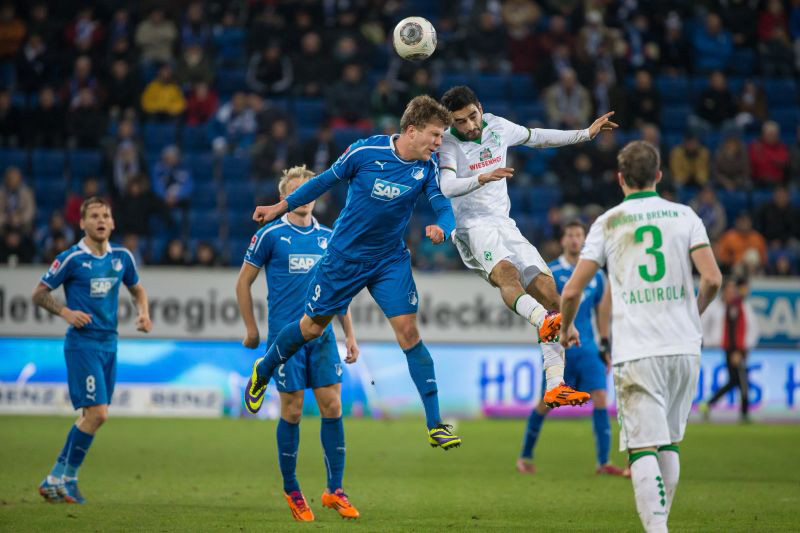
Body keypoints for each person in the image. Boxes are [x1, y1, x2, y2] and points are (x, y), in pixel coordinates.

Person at [245, 96, 461, 450]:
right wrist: (280, 207)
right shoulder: (364, 153)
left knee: (408, 331)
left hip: (388, 260)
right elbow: (322, 182)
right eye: (436, 135)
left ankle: (435, 423)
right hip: (343, 258)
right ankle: (264, 369)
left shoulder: (428, 168)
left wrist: (442, 227)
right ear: (411, 130)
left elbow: (443, 207)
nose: (440, 143)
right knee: (311, 328)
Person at [559, 141, 722, 533]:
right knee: (668, 442)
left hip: (639, 349)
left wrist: (565, 327)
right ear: (660, 176)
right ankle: (661, 525)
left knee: (642, 446)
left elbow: (570, 291)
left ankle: (657, 529)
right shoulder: (686, 216)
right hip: (685, 347)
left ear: (620, 179)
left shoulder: (609, 222)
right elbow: (713, 278)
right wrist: (691, 313)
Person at [437, 85, 617, 408]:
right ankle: (541, 319)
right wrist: (482, 178)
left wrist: (585, 134)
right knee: (508, 275)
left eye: (472, 116)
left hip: (505, 224)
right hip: (472, 228)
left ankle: (555, 384)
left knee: (550, 292)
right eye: (461, 121)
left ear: (480, 107)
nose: (469, 126)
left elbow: (537, 137)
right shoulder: (448, 143)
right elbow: (447, 186)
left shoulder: (497, 126)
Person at [236, 165, 360, 522]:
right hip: (284, 339)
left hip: (322, 337)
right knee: (291, 411)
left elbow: (339, 290)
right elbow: (243, 283)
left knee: (333, 406)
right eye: (296, 190)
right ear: (285, 198)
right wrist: (252, 330)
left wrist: (349, 333)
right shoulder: (270, 234)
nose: (304, 196)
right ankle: (292, 490)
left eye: (309, 190)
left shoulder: (328, 237)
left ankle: (334, 490)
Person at [32, 197, 152, 503]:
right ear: (82, 223)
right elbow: (39, 294)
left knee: (91, 416)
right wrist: (65, 313)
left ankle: (59, 480)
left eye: (106, 215)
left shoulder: (122, 258)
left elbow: (137, 289)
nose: (101, 220)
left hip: (109, 344)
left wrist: (144, 312)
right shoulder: (71, 259)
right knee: (98, 414)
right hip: (82, 344)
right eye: (94, 216)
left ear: (112, 223)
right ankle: (61, 478)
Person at [517, 221, 627, 477]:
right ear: (563, 240)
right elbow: (541, 312)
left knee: (600, 397)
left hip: (588, 348)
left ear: (585, 239)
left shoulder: (596, 274)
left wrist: (604, 343)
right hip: (559, 349)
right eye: (570, 235)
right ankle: (525, 455)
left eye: (579, 235)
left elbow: (602, 311)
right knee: (546, 403)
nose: (575, 240)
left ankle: (603, 462)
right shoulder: (550, 273)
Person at [699, 277, 759, 423]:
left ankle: (709, 404)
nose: (731, 292)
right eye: (729, 290)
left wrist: (744, 348)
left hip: (737, 350)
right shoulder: (717, 308)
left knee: (734, 381)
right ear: (723, 291)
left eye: (733, 290)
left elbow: (752, 329)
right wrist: (705, 342)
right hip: (725, 349)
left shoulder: (741, 307)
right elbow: (702, 324)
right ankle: (743, 413)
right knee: (740, 380)